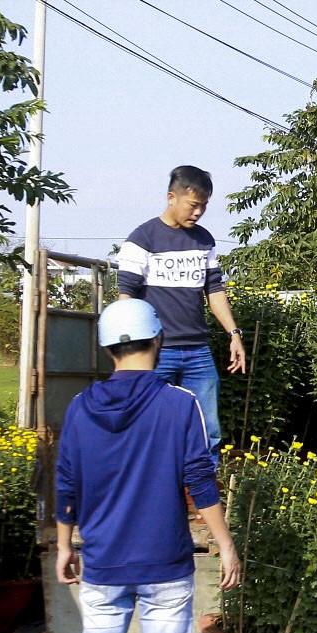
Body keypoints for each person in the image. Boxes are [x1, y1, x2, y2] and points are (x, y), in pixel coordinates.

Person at [55, 298, 243, 633]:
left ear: (108, 347)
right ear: (158, 342)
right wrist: (225, 543)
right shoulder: (180, 404)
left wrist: (67, 543)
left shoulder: (79, 407)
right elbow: (200, 481)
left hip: (103, 566)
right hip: (164, 564)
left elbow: (66, 479)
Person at [117, 165, 247, 461]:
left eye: (204, 205)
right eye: (193, 204)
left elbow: (215, 291)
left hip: (197, 352)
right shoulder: (142, 239)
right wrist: (129, 349)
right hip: (156, 352)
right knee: (148, 426)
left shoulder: (204, 241)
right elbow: (126, 295)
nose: (198, 212)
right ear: (171, 197)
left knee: (207, 429)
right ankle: (151, 493)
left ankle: (206, 499)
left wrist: (234, 334)